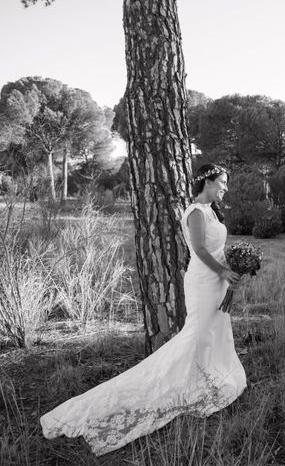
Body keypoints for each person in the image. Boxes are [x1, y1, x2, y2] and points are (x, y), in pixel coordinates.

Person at [40, 164, 246, 456]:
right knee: (197, 334)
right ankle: (180, 380)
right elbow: (199, 250)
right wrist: (224, 272)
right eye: (222, 182)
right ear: (208, 182)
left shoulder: (212, 210)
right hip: (204, 281)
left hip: (218, 281)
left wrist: (235, 265)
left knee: (215, 331)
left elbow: (215, 248)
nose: (225, 187)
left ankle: (211, 376)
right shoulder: (197, 212)